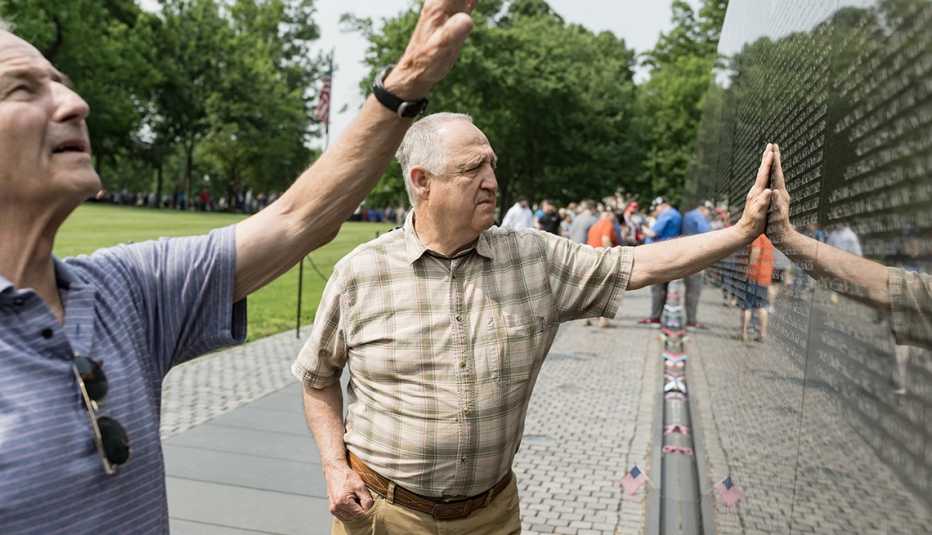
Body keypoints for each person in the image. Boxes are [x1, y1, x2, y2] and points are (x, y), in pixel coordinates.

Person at [0, 2, 477, 533]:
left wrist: (408, 79)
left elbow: (297, 218)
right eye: (22, 89)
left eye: (60, 82)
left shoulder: (125, 291)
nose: (75, 103)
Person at [294, 124, 776, 534]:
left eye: (491, 166)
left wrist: (740, 233)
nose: (491, 181)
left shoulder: (534, 259)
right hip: (383, 515)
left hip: (491, 518)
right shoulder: (362, 273)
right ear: (422, 182)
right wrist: (335, 469)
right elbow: (317, 377)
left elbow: (637, 265)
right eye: (472, 169)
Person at [766, 144, 931, 350]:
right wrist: (785, 236)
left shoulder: (850, 236)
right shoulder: (835, 234)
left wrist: (785, 236)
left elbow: (886, 286)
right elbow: (889, 288)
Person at [637, 196, 683, 326]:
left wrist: (641, 228)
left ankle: (655, 317)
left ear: (661, 205)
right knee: (662, 287)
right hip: (667, 252)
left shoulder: (668, 214)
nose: (656, 211)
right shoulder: (675, 214)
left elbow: (653, 233)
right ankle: (658, 316)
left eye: (656, 208)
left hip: (661, 255)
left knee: (657, 287)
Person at [681, 201, 713, 329]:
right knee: (694, 291)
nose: (707, 215)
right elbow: (707, 233)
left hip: (686, 255)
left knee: (689, 290)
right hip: (696, 259)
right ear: (704, 209)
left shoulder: (688, 215)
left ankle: (690, 319)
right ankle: (691, 321)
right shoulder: (699, 216)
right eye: (708, 212)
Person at [740, 233, 774, 342]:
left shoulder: (758, 237)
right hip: (765, 277)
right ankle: (762, 334)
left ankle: (743, 333)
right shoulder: (769, 238)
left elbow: (755, 251)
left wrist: (748, 272)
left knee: (747, 305)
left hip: (754, 276)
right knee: (762, 306)